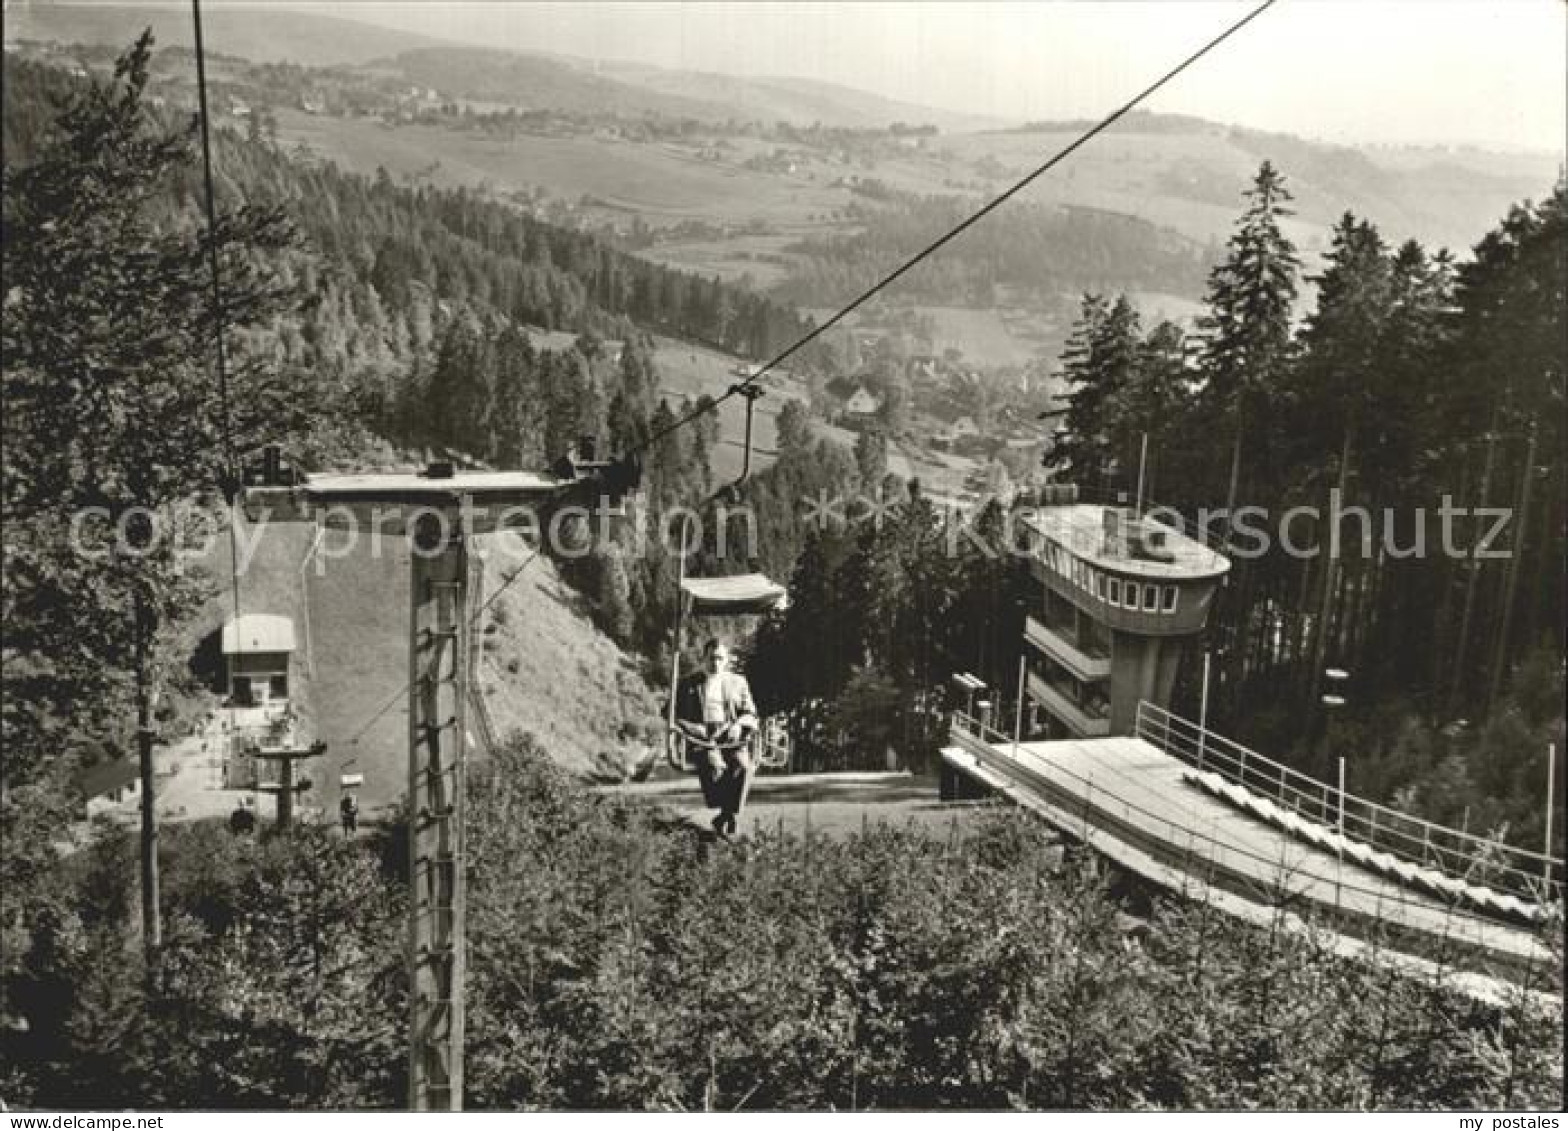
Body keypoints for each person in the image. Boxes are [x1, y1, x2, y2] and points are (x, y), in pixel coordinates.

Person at [676, 638, 759, 838]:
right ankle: (727, 814)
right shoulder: (688, 683)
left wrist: (739, 725)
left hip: (730, 733)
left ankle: (727, 815)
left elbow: (751, 713)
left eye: (720, 658)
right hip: (703, 737)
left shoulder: (738, 682)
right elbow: (671, 715)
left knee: (743, 765)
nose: (716, 663)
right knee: (715, 767)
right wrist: (692, 728)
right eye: (711, 658)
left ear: (727, 660)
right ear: (703, 658)